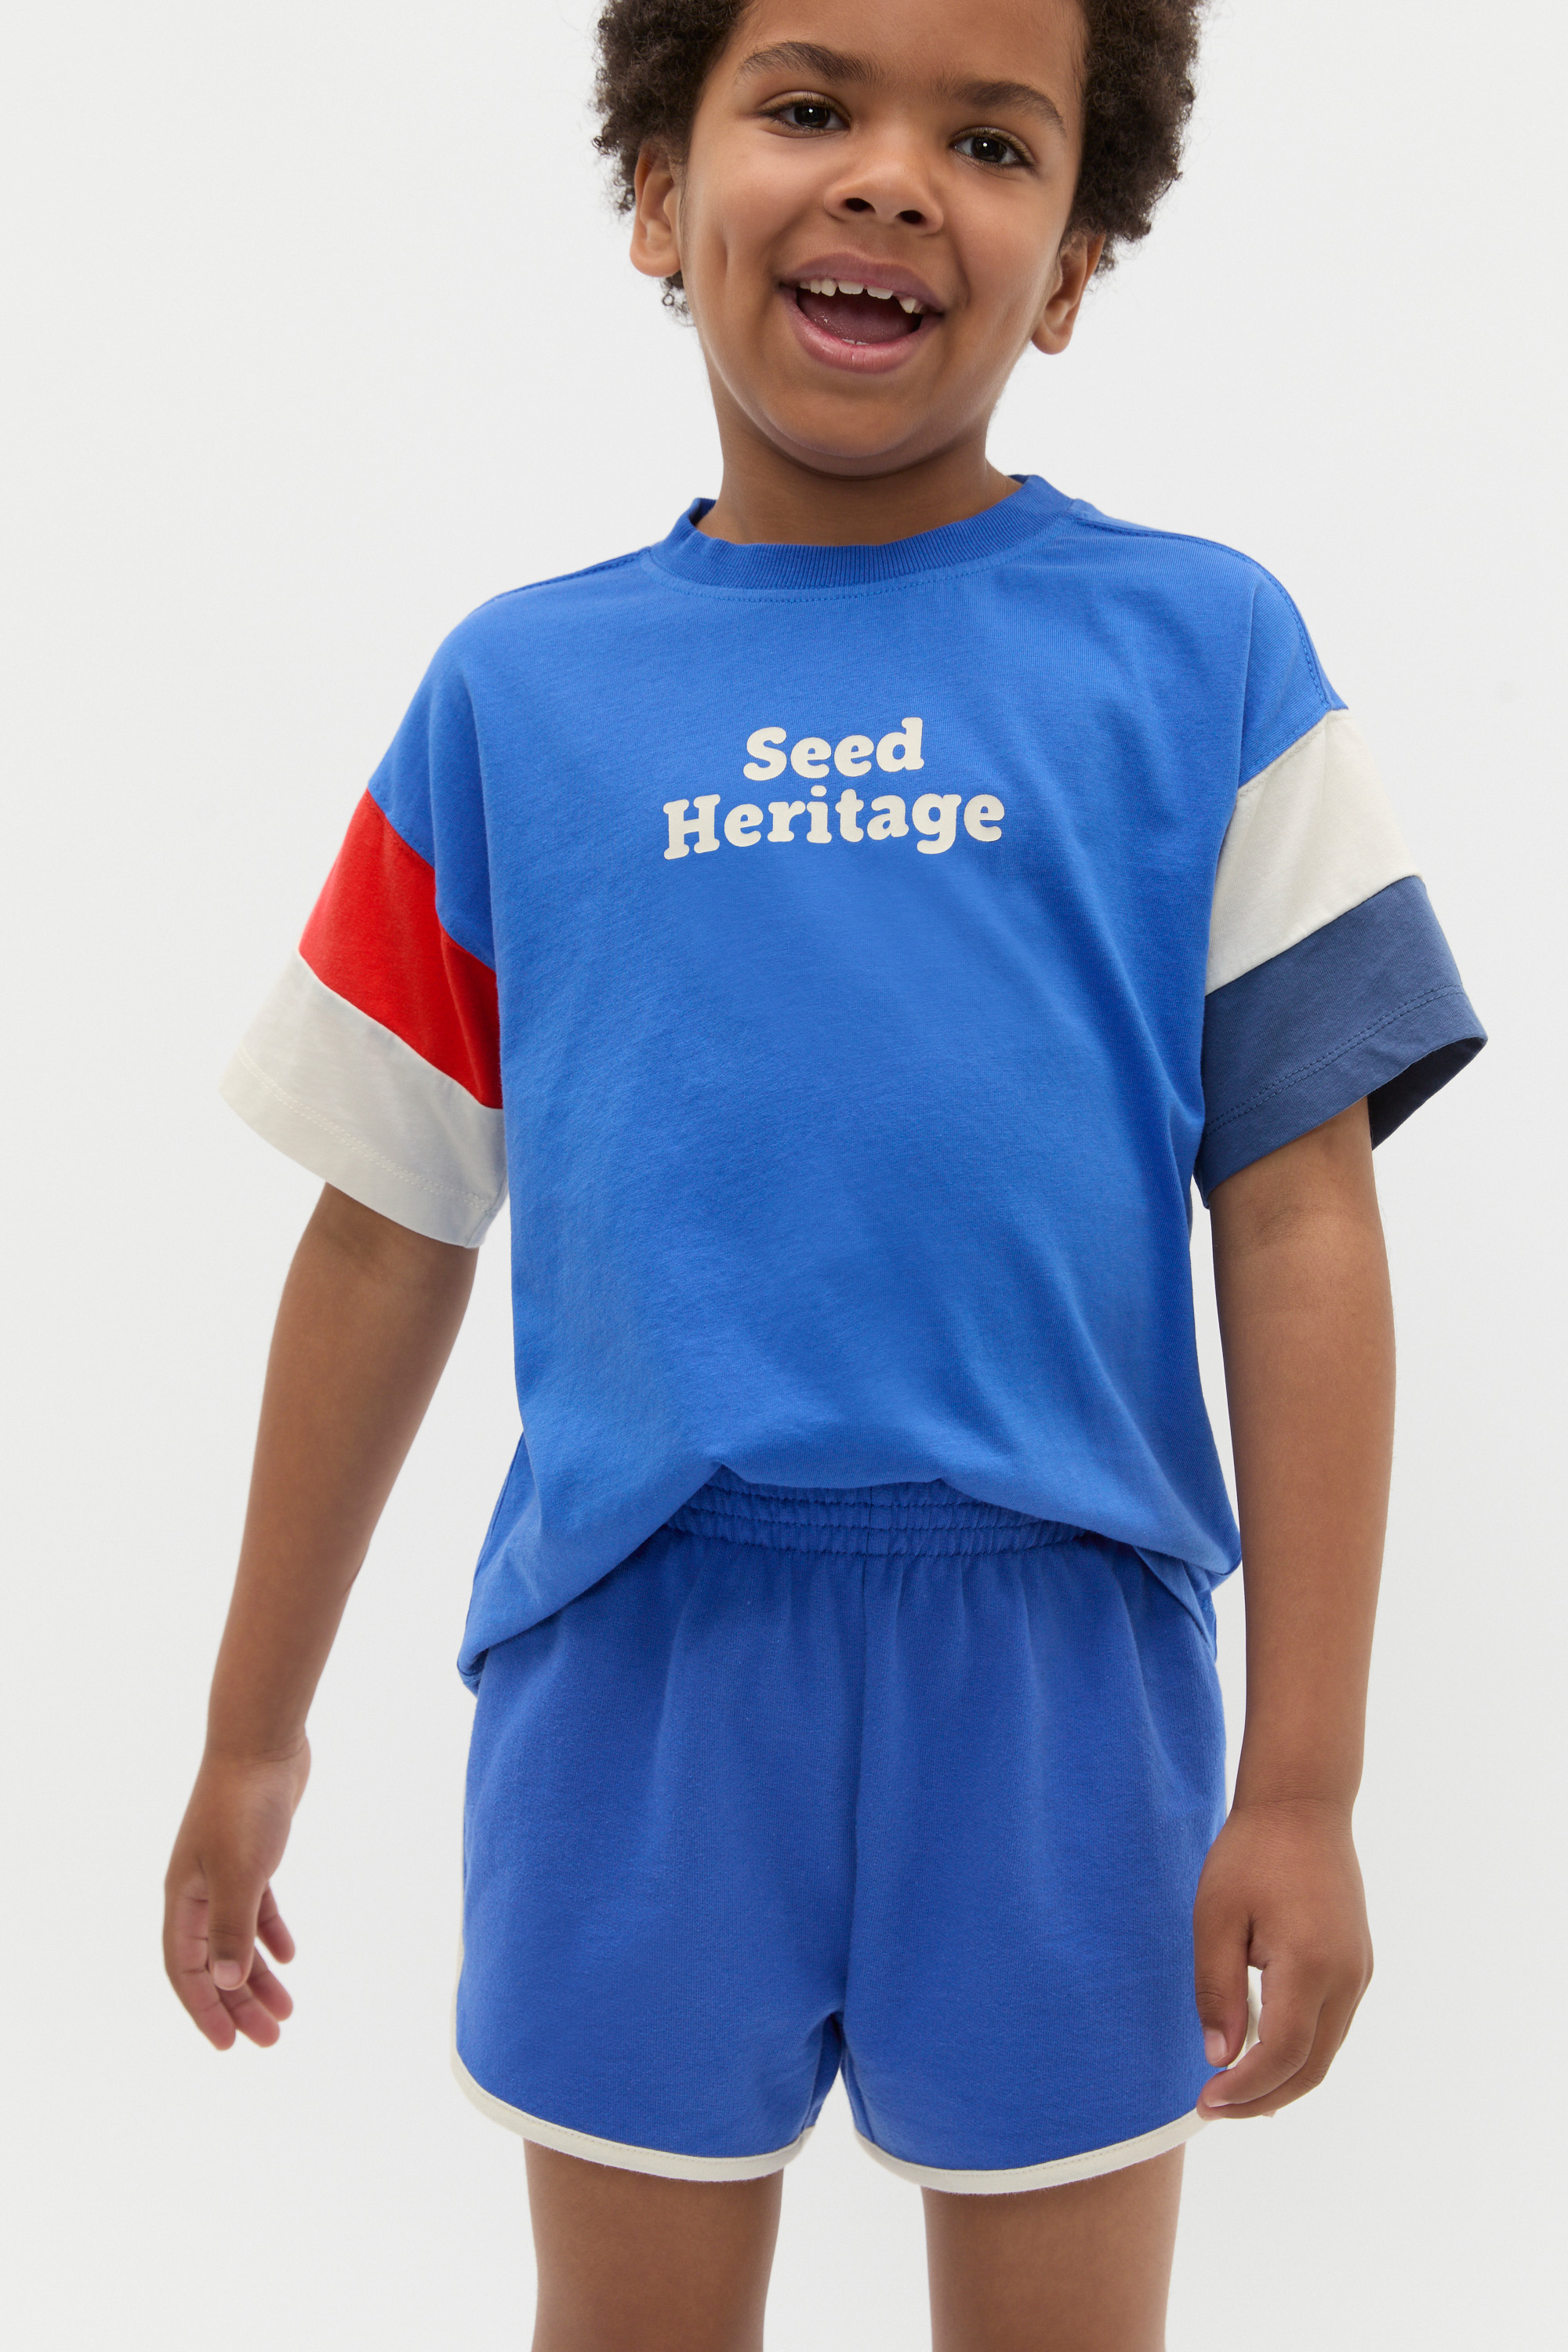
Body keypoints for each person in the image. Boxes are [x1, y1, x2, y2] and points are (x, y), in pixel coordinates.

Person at [162, 2, 1486, 2346]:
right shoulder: (513, 698)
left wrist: (1303, 1783)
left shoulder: (1207, 657)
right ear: (658, 197)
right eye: (807, 105)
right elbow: (381, 1235)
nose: (890, 176)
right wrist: (250, 1732)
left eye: (991, 139)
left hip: (1061, 1675)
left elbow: (1301, 1224)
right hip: (638, 1666)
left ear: (1072, 264)